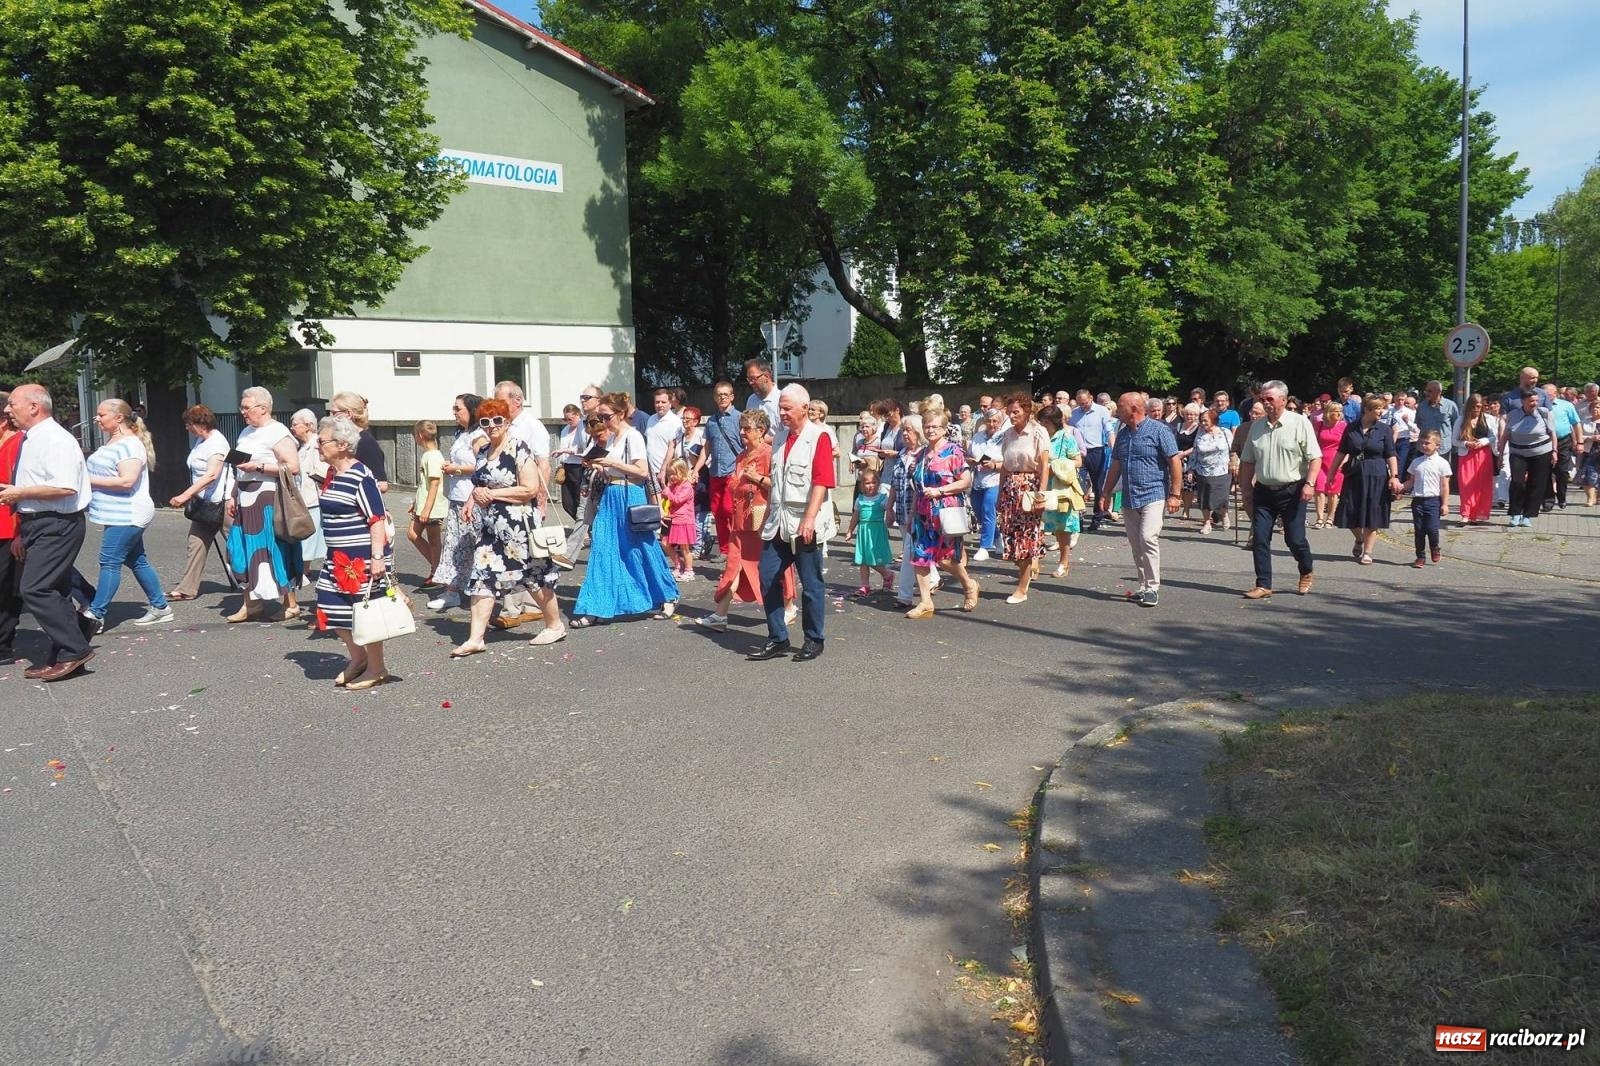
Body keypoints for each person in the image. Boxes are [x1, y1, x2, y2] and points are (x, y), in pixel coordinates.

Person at [446, 399, 565, 656]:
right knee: (483, 578)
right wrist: (471, 500)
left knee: (535, 576)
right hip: (492, 527)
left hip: (519, 526)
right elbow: (480, 482)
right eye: (485, 422)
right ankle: (476, 638)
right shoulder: (483, 451)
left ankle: (555, 625)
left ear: (507, 421)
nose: (492, 426)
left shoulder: (518, 449)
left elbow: (530, 489)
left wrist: (493, 495)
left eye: (497, 420)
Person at [0, 385, 95, 680]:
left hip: (56, 522)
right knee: (56, 588)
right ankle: (63, 651)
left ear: (33, 406)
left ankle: (75, 648)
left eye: (12, 404)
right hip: (37, 522)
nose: (7, 410)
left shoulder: (55, 439)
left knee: (35, 588)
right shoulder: (33, 438)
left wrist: (18, 493)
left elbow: (66, 486)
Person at [570, 400, 680, 627]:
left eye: (606, 416)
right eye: (600, 417)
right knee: (602, 549)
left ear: (620, 413)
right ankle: (595, 607)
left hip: (630, 496)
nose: (602, 421)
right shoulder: (611, 437)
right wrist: (600, 466)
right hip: (610, 495)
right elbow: (613, 469)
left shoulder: (634, 436)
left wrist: (613, 462)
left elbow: (642, 472)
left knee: (643, 549)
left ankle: (668, 595)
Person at [745, 384, 834, 662]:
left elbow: (822, 481)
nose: (781, 413)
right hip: (779, 521)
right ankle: (778, 638)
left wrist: (809, 518)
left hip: (803, 522)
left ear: (804, 409)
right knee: (767, 576)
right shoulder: (780, 438)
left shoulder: (818, 436)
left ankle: (814, 639)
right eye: (780, 407)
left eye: (787, 408)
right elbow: (777, 481)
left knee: (811, 583)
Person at [311, 415, 396, 688]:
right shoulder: (333, 474)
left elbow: (377, 518)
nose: (317, 445)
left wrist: (378, 558)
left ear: (343, 444)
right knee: (330, 605)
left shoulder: (361, 477)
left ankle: (377, 668)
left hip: (360, 559)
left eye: (322, 441)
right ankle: (358, 658)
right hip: (337, 557)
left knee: (364, 612)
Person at [76, 398, 173, 632]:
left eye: (102, 415)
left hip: (128, 513)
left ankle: (95, 614)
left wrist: (87, 481)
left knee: (109, 561)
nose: (97, 419)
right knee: (135, 559)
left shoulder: (130, 444)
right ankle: (161, 607)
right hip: (116, 513)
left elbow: (127, 481)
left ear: (118, 417)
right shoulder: (114, 441)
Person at [697, 410, 793, 631]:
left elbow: (779, 486)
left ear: (761, 431)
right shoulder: (741, 455)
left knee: (774, 566)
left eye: (746, 428)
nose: (741, 432)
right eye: (741, 428)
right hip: (740, 522)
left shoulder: (770, 453)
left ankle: (788, 605)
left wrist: (755, 478)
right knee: (734, 566)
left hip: (762, 522)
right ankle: (721, 614)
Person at [226, 387, 303, 623]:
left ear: (263, 408)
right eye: (242, 407)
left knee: (273, 549)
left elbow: (293, 466)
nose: (243, 412)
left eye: (247, 408)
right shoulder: (246, 432)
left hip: (267, 498)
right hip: (245, 496)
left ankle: (290, 603)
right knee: (241, 550)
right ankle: (251, 603)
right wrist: (233, 494)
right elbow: (237, 467)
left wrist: (258, 467)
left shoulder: (277, 432)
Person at [1098, 393, 1182, 607]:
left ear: (1134, 407)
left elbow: (1174, 461)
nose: (1117, 410)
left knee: (1148, 538)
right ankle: (1143, 586)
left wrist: (1175, 494)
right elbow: (1115, 465)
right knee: (1136, 545)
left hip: (1153, 493)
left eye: (1121, 406)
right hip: (1129, 497)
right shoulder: (1123, 434)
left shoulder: (1159, 430)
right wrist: (1105, 492)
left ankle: (1153, 587)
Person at [1238, 381, 1319, 599]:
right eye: (1262, 399)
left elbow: (1315, 457)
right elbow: (1247, 461)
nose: (1265, 403)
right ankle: (1263, 584)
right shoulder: (1256, 426)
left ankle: (1306, 569)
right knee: (1260, 538)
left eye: (1270, 399)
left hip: (1293, 490)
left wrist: (1310, 484)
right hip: (1264, 491)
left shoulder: (1300, 423)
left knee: (1295, 538)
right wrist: (1245, 490)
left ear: (1283, 399)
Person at [902, 408, 980, 618]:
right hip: (922, 513)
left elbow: (965, 481)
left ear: (945, 429)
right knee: (920, 557)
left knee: (945, 560)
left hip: (946, 511)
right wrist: (910, 517)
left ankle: (969, 584)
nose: (930, 430)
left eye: (935, 426)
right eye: (927, 426)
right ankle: (926, 602)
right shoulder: (920, 455)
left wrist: (940, 491)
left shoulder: (954, 451)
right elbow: (918, 487)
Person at [166, 405, 234, 601]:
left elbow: (212, 474)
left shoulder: (217, 443)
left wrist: (185, 495)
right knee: (195, 544)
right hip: (204, 503)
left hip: (223, 501)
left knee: (235, 545)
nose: (187, 428)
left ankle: (250, 583)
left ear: (200, 423)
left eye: (189, 424)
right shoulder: (200, 441)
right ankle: (187, 588)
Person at [990, 394, 1050, 605]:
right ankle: (1029, 564)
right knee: (1011, 538)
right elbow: (1005, 466)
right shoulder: (1007, 434)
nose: (1012, 415)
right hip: (1010, 489)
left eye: (1016, 411)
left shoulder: (1037, 432)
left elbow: (1044, 467)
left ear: (1027, 411)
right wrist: (999, 495)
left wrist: (1040, 495)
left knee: (1025, 539)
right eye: (1010, 411)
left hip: (1029, 487)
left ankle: (1021, 588)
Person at [1327, 395, 1399, 565]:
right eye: (1378, 408)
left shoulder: (1384, 429)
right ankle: (1359, 538)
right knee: (1349, 510)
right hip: (1355, 475)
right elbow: (1341, 451)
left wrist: (1394, 476)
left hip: (1377, 474)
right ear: (1367, 410)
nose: (1382, 411)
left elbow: (1391, 454)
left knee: (1373, 513)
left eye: (1383, 408)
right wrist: (1331, 473)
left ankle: (1368, 551)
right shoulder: (1351, 428)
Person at [429, 394, 484, 611]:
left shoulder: (479, 435)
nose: (454, 412)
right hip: (457, 496)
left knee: (470, 546)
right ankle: (454, 589)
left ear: (472, 411)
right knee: (456, 546)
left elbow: (482, 465)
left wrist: (457, 469)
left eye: (458, 408)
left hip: (471, 498)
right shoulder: (463, 433)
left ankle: (466, 590)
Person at [1500, 388, 1557, 527]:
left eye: (1537, 401)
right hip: (1518, 452)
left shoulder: (1544, 413)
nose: (1535, 403)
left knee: (1536, 483)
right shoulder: (1513, 414)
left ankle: (1528, 515)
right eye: (1531, 401)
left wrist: (1554, 451)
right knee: (1517, 482)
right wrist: (1500, 454)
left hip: (1541, 452)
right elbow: (1505, 435)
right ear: (1523, 401)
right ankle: (1515, 513)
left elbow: (1553, 433)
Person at [885, 415, 926, 606]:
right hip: (902, 509)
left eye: (908, 430)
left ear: (919, 432)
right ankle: (933, 580)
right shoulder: (902, 453)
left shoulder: (924, 455)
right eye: (903, 430)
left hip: (918, 512)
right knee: (915, 551)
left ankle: (904, 596)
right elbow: (895, 483)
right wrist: (889, 507)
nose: (905, 434)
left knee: (910, 553)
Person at [1037, 404, 1081, 578]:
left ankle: (1064, 562)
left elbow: (1078, 461)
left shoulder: (1066, 438)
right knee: (1038, 526)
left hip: (1060, 488)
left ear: (1049, 421)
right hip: (1041, 484)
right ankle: (1034, 562)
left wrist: (1058, 465)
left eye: (1042, 421)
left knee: (1062, 527)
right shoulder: (1040, 437)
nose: (1040, 424)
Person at [701, 382, 744, 557]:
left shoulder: (740, 418)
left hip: (732, 473)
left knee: (729, 510)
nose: (722, 398)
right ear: (714, 397)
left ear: (732, 397)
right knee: (717, 512)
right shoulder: (711, 421)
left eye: (726, 394)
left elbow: (747, 446)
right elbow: (706, 448)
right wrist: (696, 469)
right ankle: (725, 550)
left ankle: (737, 549)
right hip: (715, 473)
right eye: (719, 395)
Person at [289, 409, 328, 587]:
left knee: (307, 538)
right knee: (305, 539)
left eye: (296, 424)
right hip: (303, 498)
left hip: (312, 499)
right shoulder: (302, 446)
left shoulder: (316, 444)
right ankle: (302, 571)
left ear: (309, 426)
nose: (292, 427)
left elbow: (322, 472)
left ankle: (302, 572)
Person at [1402, 431, 1451, 567]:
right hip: (1418, 500)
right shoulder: (1416, 462)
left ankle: (1434, 547)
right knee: (1419, 530)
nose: (1424, 446)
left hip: (1433, 500)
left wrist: (1445, 504)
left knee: (1432, 529)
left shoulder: (1442, 463)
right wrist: (1400, 487)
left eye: (1427, 443)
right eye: (1421, 443)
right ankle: (1420, 556)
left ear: (1437, 445)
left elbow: (1444, 485)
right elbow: (1410, 482)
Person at [408, 420, 447, 587]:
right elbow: (424, 484)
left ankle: (438, 569)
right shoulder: (429, 455)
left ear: (420, 436)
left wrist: (426, 509)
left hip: (432, 506)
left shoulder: (432, 456)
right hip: (425, 504)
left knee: (429, 537)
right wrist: (416, 502)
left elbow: (434, 483)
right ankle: (438, 568)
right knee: (424, 537)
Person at [328, 392, 388, 493]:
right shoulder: (342, 438)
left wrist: (348, 485)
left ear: (348, 414)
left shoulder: (366, 441)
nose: (331, 417)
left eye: (334, 413)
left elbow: (382, 485)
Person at [1068, 390, 1112, 528]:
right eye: (1081, 404)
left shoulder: (1101, 411)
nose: (1083, 406)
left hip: (1096, 451)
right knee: (1078, 485)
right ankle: (1078, 517)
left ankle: (1097, 516)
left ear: (1091, 398)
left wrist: (1113, 447)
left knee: (1098, 485)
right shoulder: (1074, 413)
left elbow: (1109, 430)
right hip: (1079, 452)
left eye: (1085, 403)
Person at [1452, 393, 1499, 524]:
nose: (1476, 409)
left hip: (1483, 455)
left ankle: (1476, 514)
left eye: (1479, 406)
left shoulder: (1488, 419)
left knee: (1482, 485)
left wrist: (1483, 441)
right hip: (1466, 456)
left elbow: (1493, 436)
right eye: (1473, 407)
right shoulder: (1461, 420)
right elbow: (1454, 440)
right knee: (1466, 485)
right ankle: (1465, 514)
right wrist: (1466, 443)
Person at [848, 466, 894, 596]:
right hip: (863, 532)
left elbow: (889, 510)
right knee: (863, 560)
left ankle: (887, 574)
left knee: (873, 558)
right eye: (867, 483)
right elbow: (855, 516)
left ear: (878, 484)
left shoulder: (882, 498)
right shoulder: (860, 499)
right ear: (862, 485)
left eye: (874, 482)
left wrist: (891, 516)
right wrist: (850, 530)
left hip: (877, 531)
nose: (870, 486)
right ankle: (865, 585)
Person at [966, 407, 1004, 560]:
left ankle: (984, 546)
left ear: (1000, 423)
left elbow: (1009, 461)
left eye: (995, 421)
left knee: (988, 509)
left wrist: (994, 465)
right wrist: (970, 460)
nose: (992, 423)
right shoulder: (978, 436)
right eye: (989, 420)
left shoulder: (1004, 437)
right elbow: (970, 454)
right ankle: (997, 537)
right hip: (978, 479)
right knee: (979, 512)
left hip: (995, 479)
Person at [0, 392, 21, 665]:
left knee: (8, 588)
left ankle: (3, 646)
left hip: (10, 525)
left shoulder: (16, 444)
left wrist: (21, 533)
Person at [1192, 409, 1233, 534]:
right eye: (1201, 420)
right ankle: (1207, 523)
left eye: (1205, 420)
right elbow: (1195, 451)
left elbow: (1233, 449)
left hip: (1222, 470)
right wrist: (1190, 469)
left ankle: (1224, 514)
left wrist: (1235, 463)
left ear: (1213, 420)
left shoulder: (1225, 432)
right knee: (1204, 499)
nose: (1202, 423)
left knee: (1221, 497)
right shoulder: (1199, 433)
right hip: (1203, 471)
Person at [1544, 383, 1583, 510]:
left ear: (1555, 393)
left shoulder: (1566, 405)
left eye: (1548, 393)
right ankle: (1548, 499)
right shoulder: (1539, 405)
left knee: (1561, 471)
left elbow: (1576, 424)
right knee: (1545, 471)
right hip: (1544, 442)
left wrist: (1579, 441)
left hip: (1563, 441)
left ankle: (1562, 496)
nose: (1545, 396)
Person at [554, 402, 588, 533]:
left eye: (570, 419)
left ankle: (584, 529)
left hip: (579, 466)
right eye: (565, 419)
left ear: (578, 415)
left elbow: (583, 448)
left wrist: (567, 451)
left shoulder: (582, 429)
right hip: (567, 466)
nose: (568, 422)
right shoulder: (564, 430)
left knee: (580, 500)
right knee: (567, 503)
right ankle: (581, 525)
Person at [1312, 400, 1346, 529]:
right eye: (1336, 411)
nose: (1339, 414)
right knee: (1319, 489)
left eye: (1340, 411)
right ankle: (1319, 518)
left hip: (1337, 460)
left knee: (1333, 491)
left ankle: (1330, 518)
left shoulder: (1343, 426)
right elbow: (1314, 442)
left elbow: (1348, 445)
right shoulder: (1319, 425)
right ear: (1328, 412)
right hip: (1320, 460)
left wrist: (1345, 459)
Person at [662, 457, 697, 579]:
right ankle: (678, 564)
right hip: (671, 519)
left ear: (682, 472)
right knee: (665, 543)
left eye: (674, 474)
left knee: (684, 547)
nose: (671, 477)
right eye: (669, 474)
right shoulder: (673, 486)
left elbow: (677, 500)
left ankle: (689, 570)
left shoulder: (687, 487)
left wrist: (668, 493)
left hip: (683, 520)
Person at [644, 387, 685, 487]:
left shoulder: (675, 422)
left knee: (666, 502)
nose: (660, 405)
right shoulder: (651, 419)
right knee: (653, 502)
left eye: (663, 402)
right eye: (657, 402)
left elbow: (672, 447)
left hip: (666, 473)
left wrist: (664, 470)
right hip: (650, 472)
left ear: (670, 403)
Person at [743, 359, 781, 431]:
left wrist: (763, 440)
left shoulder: (782, 400)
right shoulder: (751, 400)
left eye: (753, 378)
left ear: (767, 376)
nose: (751, 383)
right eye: (749, 379)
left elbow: (789, 435)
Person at [1580, 400, 1600, 507]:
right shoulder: (1585, 422)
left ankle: (1598, 497)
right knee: (1588, 475)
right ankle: (1590, 498)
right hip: (1589, 452)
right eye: (1593, 408)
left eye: (1598, 408)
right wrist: (1590, 437)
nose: (1595, 410)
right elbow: (1578, 436)